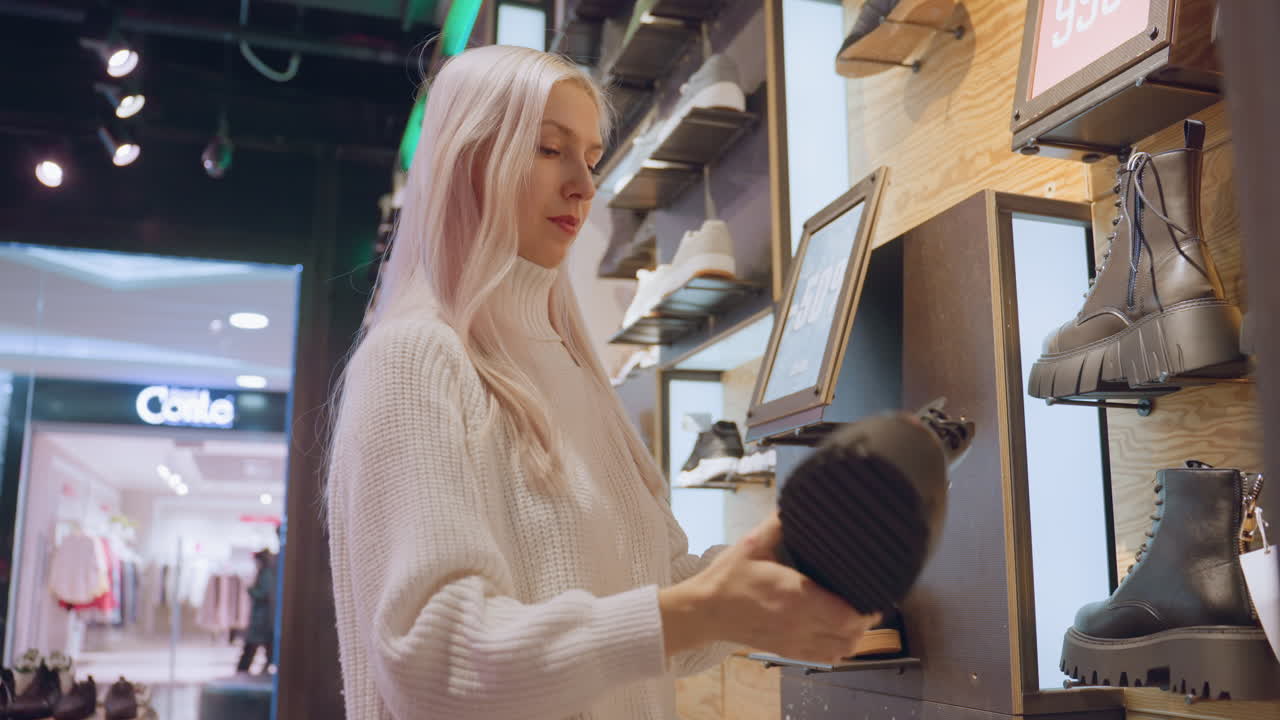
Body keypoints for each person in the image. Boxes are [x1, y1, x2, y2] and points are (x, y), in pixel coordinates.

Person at [325, 45, 877, 720]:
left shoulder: (573, 369)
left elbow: (658, 609)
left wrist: (780, 562)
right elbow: (436, 660)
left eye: (589, 157)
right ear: (468, 157)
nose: (584, 187)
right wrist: (695, 609)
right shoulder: (415, 358)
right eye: (548, 149)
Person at [236, 549, 275, 675]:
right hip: (261, 619)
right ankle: (246, 670)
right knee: (262, 648)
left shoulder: (266, 574)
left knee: (252, 647)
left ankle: (243, 670)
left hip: (261, 619)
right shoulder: (265, 572)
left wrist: (250, 590)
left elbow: (264, 593)